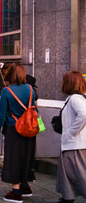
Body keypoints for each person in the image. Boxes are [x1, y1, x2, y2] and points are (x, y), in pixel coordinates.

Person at [0, 63, 36, 203]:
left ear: (10, 75)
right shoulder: (30, 89)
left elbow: (1, 114)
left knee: (13, 159)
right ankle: (25, 187)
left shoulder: (7, 91)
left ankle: (16, 192)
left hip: (14, 129)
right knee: (26, 157)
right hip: (29, 130)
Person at [56, 71, 86, 203]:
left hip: (75, 144)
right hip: (73, 144)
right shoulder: (78, 98)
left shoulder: (75, 98)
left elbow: (84, 114)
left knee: (80, 176)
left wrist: (70, 132)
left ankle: (67, 198)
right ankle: (67, 198)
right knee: (68, 174)